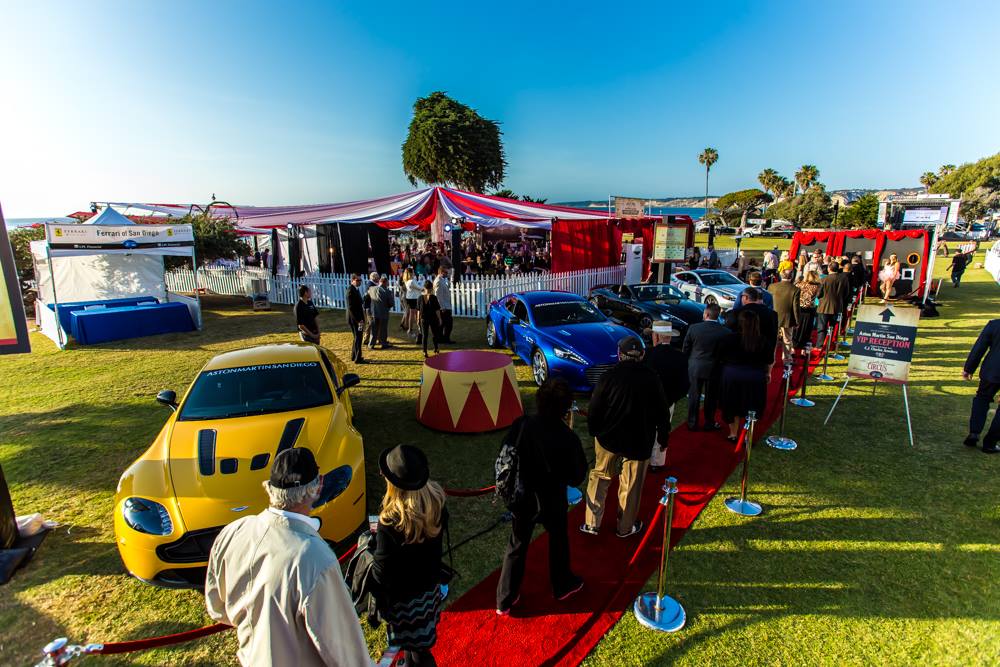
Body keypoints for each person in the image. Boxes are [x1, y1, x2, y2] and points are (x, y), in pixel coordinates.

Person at [205, 448, 369, 667]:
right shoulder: (316, 560)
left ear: (269, 487)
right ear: (318, 486)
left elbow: (217, 607)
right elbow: (346, 653)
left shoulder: (233, 531)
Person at [496, 378, 587, 615]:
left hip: (523, 496)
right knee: (558, 540)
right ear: (565, 407)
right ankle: (562, 584)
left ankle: (504, 598)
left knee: (517, 544)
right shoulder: (568, 438)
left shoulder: (522, 424)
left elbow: (506, 454)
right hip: (551, 497)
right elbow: (577, 476)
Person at [582, 337, 670, 538]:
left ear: (619, 354)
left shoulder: (608, 376)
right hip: (639, 440)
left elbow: (595, 408)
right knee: (631, 484)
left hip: (608, 438)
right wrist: (663, 438)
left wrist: (594, 430)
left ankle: (591, 523)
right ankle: (625, 527)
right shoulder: (651, 377)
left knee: (600, 476)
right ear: (642, 355)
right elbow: (662, 413)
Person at [372, 445, 448, 665]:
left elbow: (382, 572)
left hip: (404, 601)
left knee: (417, 651)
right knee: (417, 648)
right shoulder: (437, 501)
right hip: (429, 589)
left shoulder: (390, 521)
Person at [719, 307, 776, 442]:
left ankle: (733, 433)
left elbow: (720, 356)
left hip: (732, 375)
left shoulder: (729, 338)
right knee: (752, 406)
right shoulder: (763, 341)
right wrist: (768, 373)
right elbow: (769, 360)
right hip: (754, 376)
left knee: (732, 404)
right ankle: (747, 434)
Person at [643, 322, 689, 471]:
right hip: (668, 400)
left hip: (648, 400)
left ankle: (644, 457)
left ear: (656, 336)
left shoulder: (647, 355)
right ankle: (657, 462)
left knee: (646, 428)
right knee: (663, 428)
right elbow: (685, 384)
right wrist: (673, 397)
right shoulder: (680, 357)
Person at [682, 303, 728, 431]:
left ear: (706, 314)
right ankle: (709, 422)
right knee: (711, 397)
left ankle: (692, 422)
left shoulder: (694, 328)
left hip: (696, 366)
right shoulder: (724, 332)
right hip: (715, 368)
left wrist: (687, 362)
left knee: (694, 395)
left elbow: (686, 348)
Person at [962, 319, 1000, 453]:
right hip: (992, 371)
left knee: (982, 398)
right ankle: (990, 443)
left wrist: (969, 368)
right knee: (982, 398)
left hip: (991, 370)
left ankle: (974, 432)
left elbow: (979, 347)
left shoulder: (995, 324)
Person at [816, 262, 851, 350]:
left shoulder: (824, 279)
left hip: (824, 306)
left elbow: (819, 294)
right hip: (837, 306)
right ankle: (830, 344)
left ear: (829, 268)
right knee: (833, 327)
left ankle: (820, 345)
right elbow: (846, 293)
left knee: (822, 327)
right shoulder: (844, 279)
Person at [769, 269, 800, 362]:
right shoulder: (795, 289)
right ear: (791, 276)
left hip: (773, 317)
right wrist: (797, 321)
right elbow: (796, 307)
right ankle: (787, 359)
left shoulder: (772, 286)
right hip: (788, 318)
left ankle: (771, 359)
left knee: (773, 340)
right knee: (787, 340)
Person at [794, 270, 822, 349]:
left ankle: (794, 346)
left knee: (797, 327)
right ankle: (803, 348)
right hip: (809, 309)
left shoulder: (799, 284)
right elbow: (819, 295)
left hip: (799, 308)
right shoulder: (818, 286)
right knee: (807, 328)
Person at [368, 276, 394, 350]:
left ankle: (371, 344)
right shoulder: (388, 292)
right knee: (383, 329)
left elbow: (367, 297)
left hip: (374, 312)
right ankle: (383, 343)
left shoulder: (371, 289)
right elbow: (391, 303)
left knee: (374, 329)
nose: (388, 284)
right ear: (385, 282)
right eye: (388, 282)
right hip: (383, 313)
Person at [419, 280, 443, 357]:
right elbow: (437, 310)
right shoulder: (434, 297)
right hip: (433, 318)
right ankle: (436, 349)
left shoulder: (420, 298)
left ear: (424, 288)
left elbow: (418, 310)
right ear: (432, 288)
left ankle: (424, 351)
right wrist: (440, 318)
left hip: (423, 318)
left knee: (424, 335)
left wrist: (417, 319)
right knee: (434, 334)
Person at [346, 274, 366, 364]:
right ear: (353, 280)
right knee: (358, 337)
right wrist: (359, 320)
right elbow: (351, 308)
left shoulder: (355, 290)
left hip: (358, 319)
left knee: (357, 337)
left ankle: (354, 355)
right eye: (358, 280)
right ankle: (358, 357)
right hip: (356, 320)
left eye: (360, 280)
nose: (360, 282)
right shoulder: (351, 290)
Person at [433, 267, 454, 344]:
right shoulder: (438, 281)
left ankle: (442, 339)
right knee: (448, 324)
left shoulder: (441, 280)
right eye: (445, 272)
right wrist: (442, 307)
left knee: (444, 324)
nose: (447, 274)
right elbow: (438, 296)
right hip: (444, 307)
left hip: (445, 305)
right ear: (441, 272)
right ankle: (445, 339)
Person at [405, 268, 424, 340]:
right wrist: (423, 283)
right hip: (413, 299)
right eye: (413, 272)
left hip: (410, 298)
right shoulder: (412, 281)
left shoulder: (408, 280)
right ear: (411, 273)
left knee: (413, 314)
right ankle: (412, 329)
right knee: (414, 314)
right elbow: (420, 288)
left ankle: (414, 329)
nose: (414, 273)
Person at [362, 271, 379, 347]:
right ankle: (372, 339)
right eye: (377, 277)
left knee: (370, 324)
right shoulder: (370, 285)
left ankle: (366, 339)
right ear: (374, 278)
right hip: (369, 307)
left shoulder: (371, 284)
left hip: (369, 306)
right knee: (372, 323)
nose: (378, 278)